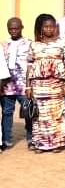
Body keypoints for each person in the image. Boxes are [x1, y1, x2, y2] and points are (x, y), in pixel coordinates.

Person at [25, 14, 65, 152]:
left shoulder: (62, 43)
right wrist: (28, 86)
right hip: (38, 86)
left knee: (56, 113)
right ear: (40, 28)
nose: (49, 29)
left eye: (52, 26)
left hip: (56, 84)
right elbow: (29, 66)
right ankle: (41, 144)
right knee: (39, 115)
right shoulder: (34, 45)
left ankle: (57, 143)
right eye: (46, 26)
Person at [2, 17, 32, 150]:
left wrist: (30, 84)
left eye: (16, 28)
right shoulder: (3, 45)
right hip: (7, 86)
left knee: (28, 112)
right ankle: (6, 139)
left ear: (22, 28)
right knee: (7, 113)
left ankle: (31, 138)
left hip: (24, 85)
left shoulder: (29, 44)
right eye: (10, 29)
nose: (13, 31)